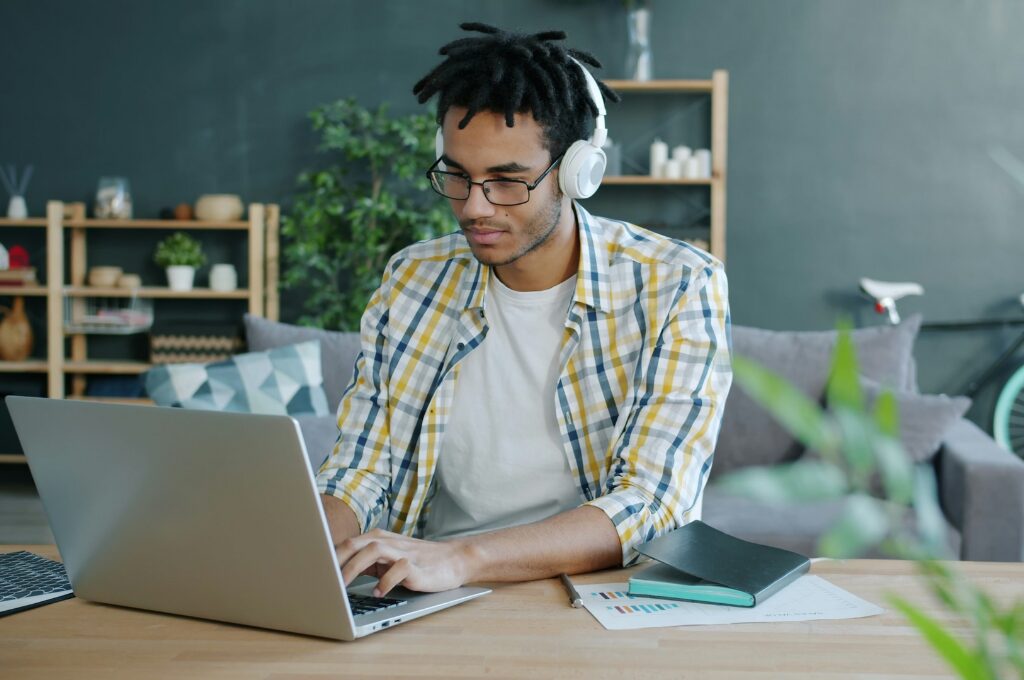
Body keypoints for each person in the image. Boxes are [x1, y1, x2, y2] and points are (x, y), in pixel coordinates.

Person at [317, 23, 732, 597]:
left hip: (600, 594)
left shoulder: (678, 284)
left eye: (507, 181)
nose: (474, 207)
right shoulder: (413, 279)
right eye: (457, 176)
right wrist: (310, 552)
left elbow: (652, 501)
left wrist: (462, 558)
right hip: (432, 590)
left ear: (576, 172)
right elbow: (363, 467)